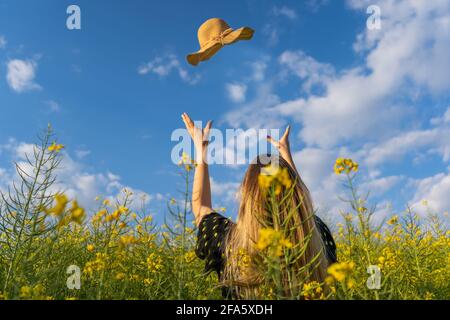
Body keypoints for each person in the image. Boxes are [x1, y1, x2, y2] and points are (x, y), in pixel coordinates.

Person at [181, 113, 337, 298]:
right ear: (297, 197)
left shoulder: (230, 245)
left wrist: (202, 150)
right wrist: (286, 156)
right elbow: (301, 210)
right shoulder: (319, 242)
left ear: (247, 197)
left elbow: (201, 209)